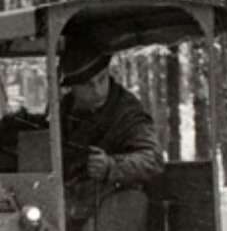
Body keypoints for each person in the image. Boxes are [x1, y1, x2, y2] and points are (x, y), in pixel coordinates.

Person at [58, 38, 164, 189]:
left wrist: (111, 167)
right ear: (72, 87)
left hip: (114, 199)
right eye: (86, 85)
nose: (97, 90)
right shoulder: (64, 109)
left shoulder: (127, 111)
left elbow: (152, 159)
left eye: (101, 79)